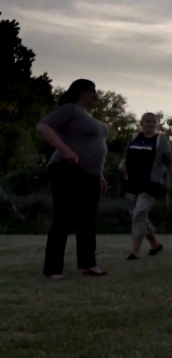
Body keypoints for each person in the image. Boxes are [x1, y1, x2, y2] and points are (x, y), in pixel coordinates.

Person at [37, 79, 110, 279]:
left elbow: (96, 148)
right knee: (63, 217)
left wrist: (100, 174)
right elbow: (44, 127)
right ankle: (53, 269)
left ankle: (88, 264)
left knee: (87, 220)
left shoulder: (92, 118)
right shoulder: (70, 110)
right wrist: (66, 151)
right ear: (81, 92)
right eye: (92, 91)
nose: (96, 95)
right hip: (66, 168)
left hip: (91, 174)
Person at [120, 112, 172, 260]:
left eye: (153, 122)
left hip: (151, 183)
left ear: (157, 124)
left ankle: (135, 252)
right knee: (136, 216)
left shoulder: (160, 140)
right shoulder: (134, 137)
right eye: (147, 121)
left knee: (139, 214)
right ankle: (155, 245)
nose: (150, 124)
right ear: (141, 123)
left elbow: (170, 161)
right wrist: (122, 164)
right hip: (132, 182)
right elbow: (126, 156)